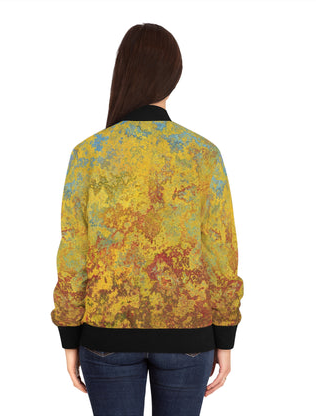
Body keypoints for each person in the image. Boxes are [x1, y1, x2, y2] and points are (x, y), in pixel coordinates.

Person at [50, 22, 244, 416]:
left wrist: (69, 335)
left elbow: (73, 253)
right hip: (188, 337)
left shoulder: (89, 154)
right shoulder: (202, 155)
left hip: (106, 335)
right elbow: (220, 253)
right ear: (174, 75)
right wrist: (225, 335)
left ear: (122, 72)